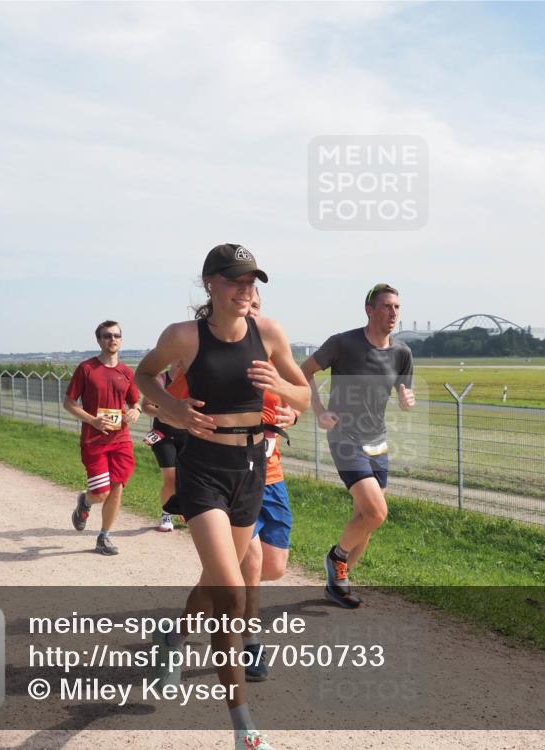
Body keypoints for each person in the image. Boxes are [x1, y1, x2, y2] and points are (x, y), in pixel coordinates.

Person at [135, 243, 309, 750]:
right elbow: (144, 376)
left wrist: (281, 385)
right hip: (204, 469)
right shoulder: (184, 336)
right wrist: (172, 409)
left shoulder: (269, 333)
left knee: (217, 582)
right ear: (210, 283)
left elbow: (306, 398)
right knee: (231, 591)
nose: (245, 289)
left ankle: (174, 638)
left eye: (251, 280)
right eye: (235, 280)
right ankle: (243, 727)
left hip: (252, 470)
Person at [300, 283, 415, 608]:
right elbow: (303, 372)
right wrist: (320, 411)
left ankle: (339, 582)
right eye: (386, 306)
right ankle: (336, 557)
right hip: (344, 437)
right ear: (369, 310)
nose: (393, 313)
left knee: (364, 517)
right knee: (377, 513)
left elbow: (405, 399)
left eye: (396, 307)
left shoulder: (402, 353)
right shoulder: (343, 343)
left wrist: (407, 400)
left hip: (377, 441)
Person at [239, 289, 298, 682]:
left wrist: (290, 413)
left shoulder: (275, 358)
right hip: (235, 475)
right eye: (248, 306)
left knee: (273, 568)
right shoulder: (224, 359)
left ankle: (178, 631)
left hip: (272, 476)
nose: (253, 311)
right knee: (252, 563)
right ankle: (251, 642)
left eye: (258, 305)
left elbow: (297, 400)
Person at [63, 320, 141, 556]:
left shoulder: (126, 372)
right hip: (94, 440)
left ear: (121, 339)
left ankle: (104, 537)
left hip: (121, 440)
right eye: (107, 336)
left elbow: (135, 402)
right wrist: (93, 420)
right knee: (101, 492)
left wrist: (135, 410)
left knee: (117, 488)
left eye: (116, 335)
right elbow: (68, 403)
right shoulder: (87, 369)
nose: (112, 339)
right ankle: (85, 502)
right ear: (99, 340)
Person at [140, 364, 189, 532]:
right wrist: (161, 413)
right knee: (170, 478)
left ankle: (183, 507)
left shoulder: (194, 379)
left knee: (187, 478)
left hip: (188, 436)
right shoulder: (160, 379)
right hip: (164, 436)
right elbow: (146, 405)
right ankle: (166, 513)